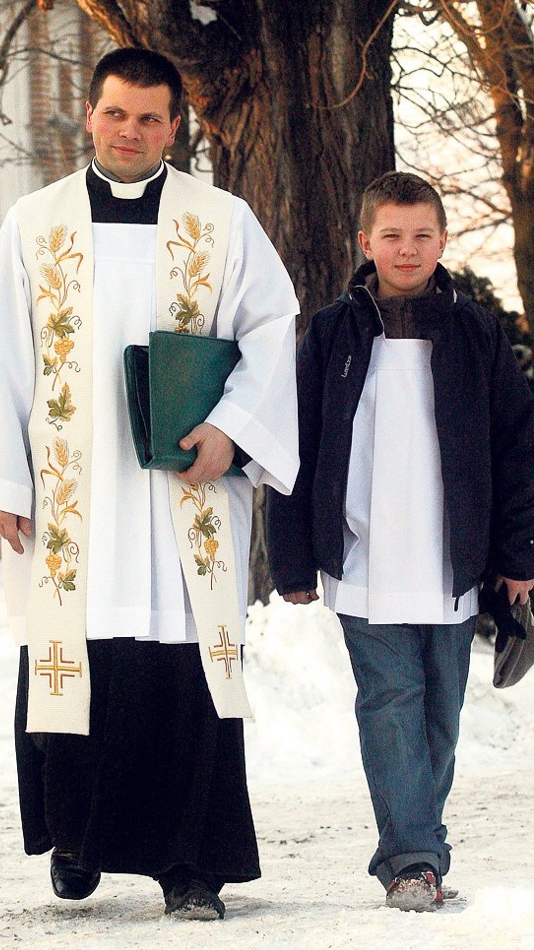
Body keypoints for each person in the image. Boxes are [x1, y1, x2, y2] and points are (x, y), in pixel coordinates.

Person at [0, 48, 299, 921]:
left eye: (151, 118)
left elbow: (274, 331)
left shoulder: (224, 220)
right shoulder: (34, 222)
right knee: (73, 666)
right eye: (117, 114)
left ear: (177, 127)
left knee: (182, 678)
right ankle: (77, 843)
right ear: (91, 116)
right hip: (70, 501)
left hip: (185, 490)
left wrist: (233, 429)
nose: (132, 132)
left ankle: (191, 866)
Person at [267, 171, 534, 912]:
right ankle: (412, 860)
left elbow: (517, 449)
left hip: (452, 560)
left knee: (439, 712)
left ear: (443, 241)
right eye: (392, 235)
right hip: (364, 557)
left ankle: (419, 839)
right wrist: (292, 556)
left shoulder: (475, 331)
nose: (407, 249)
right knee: (391, 699)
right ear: (366, 243)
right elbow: (296, 443)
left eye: (422, 235)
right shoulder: (332, 332)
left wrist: (518, 559)